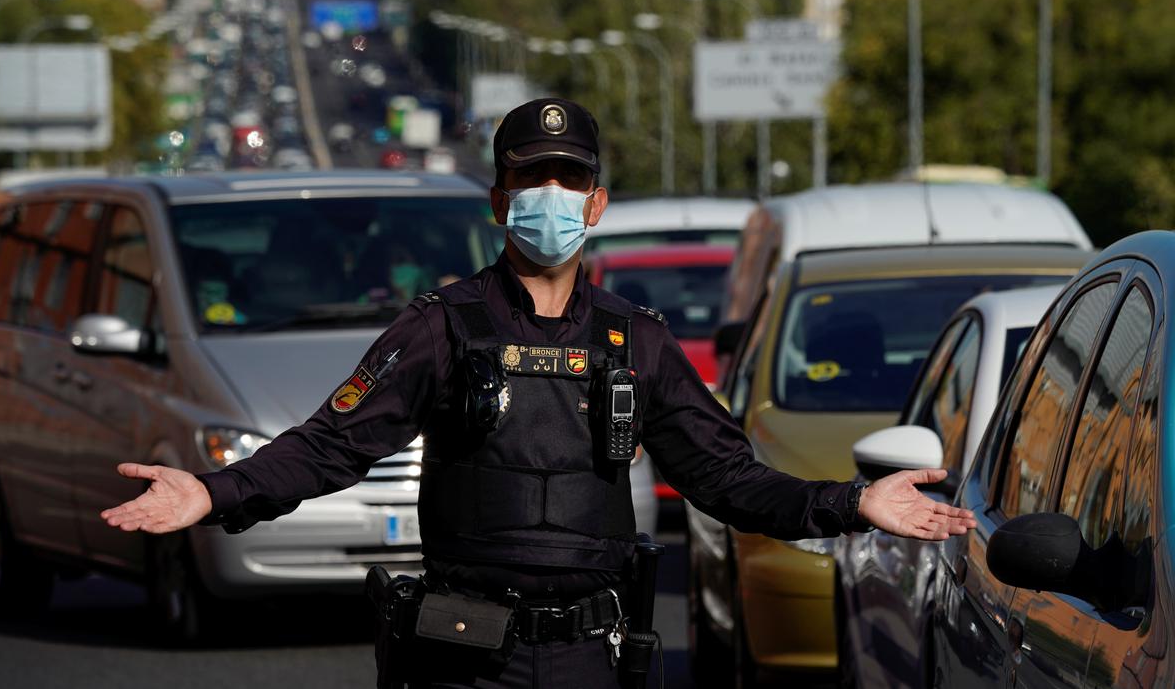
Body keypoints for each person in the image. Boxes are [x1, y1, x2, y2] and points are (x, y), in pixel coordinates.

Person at [101, 98, 975, 688]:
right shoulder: (441, 327)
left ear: (596, 204)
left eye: (567, 181)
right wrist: (212, 491)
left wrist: (857, 502)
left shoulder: (639, 342)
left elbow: (729, 481)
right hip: (460, 652)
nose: (548, 199)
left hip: (591, 658)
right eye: (530, 181)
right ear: (497, 199)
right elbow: (333, 444)